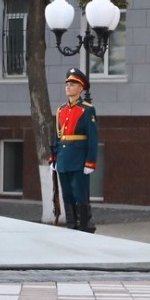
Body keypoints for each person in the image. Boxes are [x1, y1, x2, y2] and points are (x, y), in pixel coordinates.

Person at [51, 67, 99, 233]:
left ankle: (84, 226)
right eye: (67, 84)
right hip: (64, 159)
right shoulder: (61, 110)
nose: (68, 87)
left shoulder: (87, 109)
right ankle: (71, 225)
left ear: (80, 88)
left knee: (80, 195)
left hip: (79, 159)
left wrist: (90, 162)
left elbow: (93, 138)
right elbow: (57, 136)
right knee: (67, 196)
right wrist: (54, 158)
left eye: (72, 84)